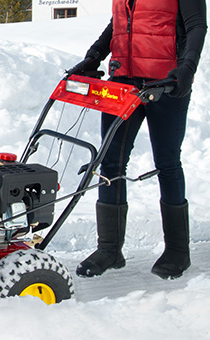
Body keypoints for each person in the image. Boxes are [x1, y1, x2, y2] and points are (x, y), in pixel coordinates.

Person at [75, 0, 207, 280]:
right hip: (122, 81)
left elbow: (197, 25)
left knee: (167, 163)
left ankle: (177, 251)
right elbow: (119, 25)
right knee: (110, 163)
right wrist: (94, 55)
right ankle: (109, 249)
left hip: (166, 84)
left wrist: (188, 68)